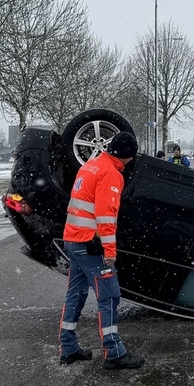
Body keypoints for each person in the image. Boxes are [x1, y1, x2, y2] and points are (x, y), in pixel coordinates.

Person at [58, 131, 145, 370]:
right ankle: (114, 351)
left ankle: (68, 347)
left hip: (73, 240)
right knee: (110, 296)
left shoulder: (91, 166)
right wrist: (109, 250)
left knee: (75, 294)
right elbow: (106, 216)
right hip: (90, 244)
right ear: (128, 155)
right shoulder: (110, 174)